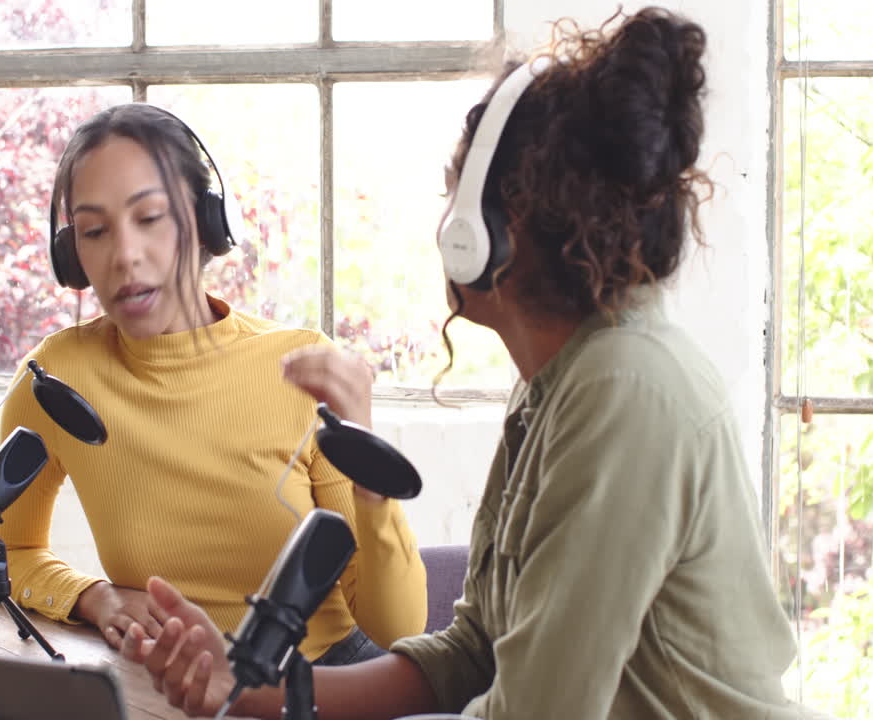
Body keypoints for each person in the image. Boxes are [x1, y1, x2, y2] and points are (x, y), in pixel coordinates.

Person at [118, 7, 820, 718]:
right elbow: (473, 651)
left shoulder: (624, 390)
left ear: (488, 229)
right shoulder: (560, 382)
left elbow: (533, 710)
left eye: (455, 191)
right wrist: (246, 689)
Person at [0, 102, 427, 667]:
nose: (124, 255)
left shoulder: (299, 365)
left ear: (205, 222)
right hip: (170, 689)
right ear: (72, 255)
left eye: (150, 218)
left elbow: (398, 629)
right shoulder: (56, 381)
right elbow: (6, 549)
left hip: (323, 682)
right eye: (94, 231)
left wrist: (370, 465)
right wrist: (91, 597)